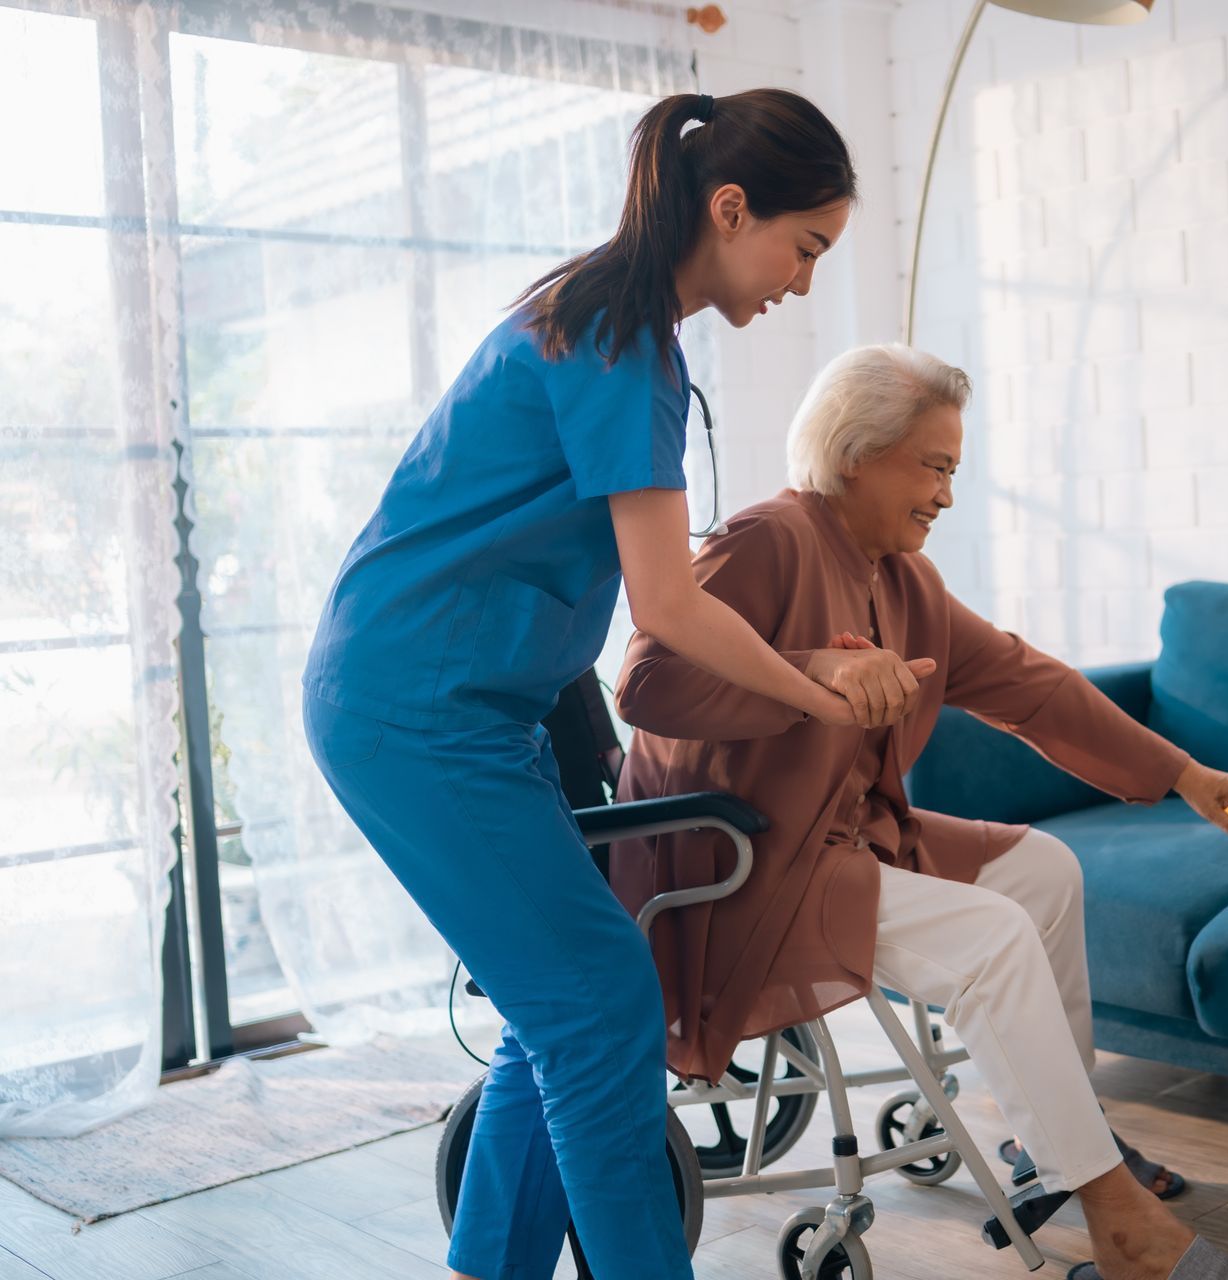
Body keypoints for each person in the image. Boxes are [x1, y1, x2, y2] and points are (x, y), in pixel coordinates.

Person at [299, 90, 906, 1280]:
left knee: (559, 1006)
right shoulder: (620, 345)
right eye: (806, 245)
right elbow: (668, 604)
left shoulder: (611, 321)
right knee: (598, 1002)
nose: (802, 277)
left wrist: (808, 672)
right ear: (731, 210)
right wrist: (818, 690)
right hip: (414, 706)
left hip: (466, 700)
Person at [611, 344, 1228, 1280]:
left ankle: (1055, 1145)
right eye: (933, 467)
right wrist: (810, 671)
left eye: (952, 471)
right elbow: (645, 680)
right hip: (739, 874)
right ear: (856, 452)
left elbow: (1031, 686)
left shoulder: (903, 579)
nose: (946, 495)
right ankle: (1116, 1219)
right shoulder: (768, 539)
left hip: (844, 849)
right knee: (993, 935)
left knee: (1043, 870)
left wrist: (1183, 772)